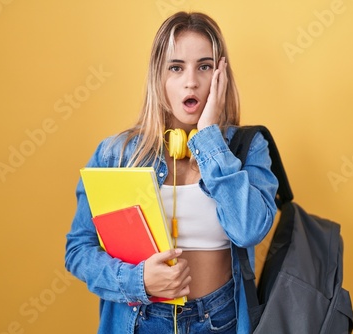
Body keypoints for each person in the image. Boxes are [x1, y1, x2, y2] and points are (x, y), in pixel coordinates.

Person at [65, 11, 278, 334]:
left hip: (220, 320)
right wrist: (137, 281)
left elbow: (249, 230)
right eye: (176, 68)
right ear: (158, 77)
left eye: (204, 67)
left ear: (220, 76)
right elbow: (78, 250)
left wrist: (209, 140)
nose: (191, 81)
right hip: (141, 320)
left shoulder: (247, 147)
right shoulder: (114, 154)